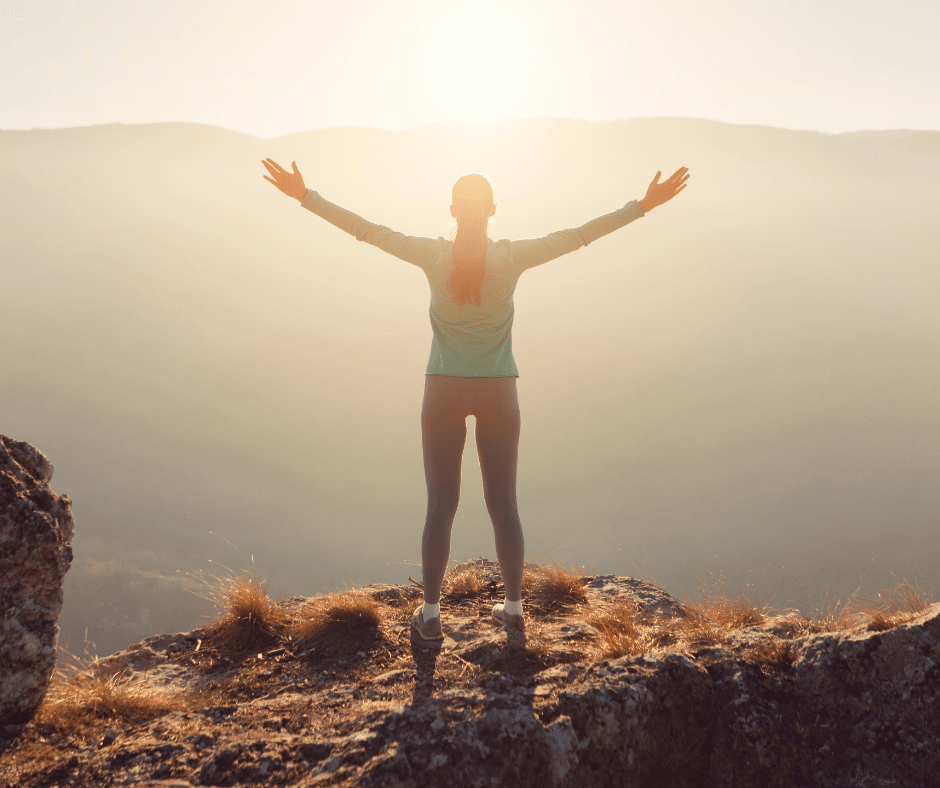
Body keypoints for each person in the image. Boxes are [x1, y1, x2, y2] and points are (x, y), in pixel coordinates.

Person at [261, 157, 689, 648]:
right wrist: (644, 206)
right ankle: (512, 612)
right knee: (504, 505)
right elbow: (579, 235)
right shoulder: (512, 257)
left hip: (442, 387)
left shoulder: (431, 255)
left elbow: (367, 231)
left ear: (450, 209)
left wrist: (305, 196)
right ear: (493, 212)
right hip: (498, 390)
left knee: (440, 507)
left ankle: (431, 615)